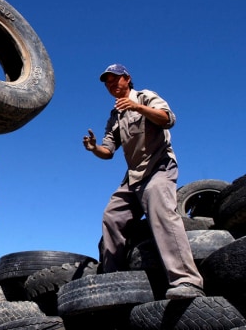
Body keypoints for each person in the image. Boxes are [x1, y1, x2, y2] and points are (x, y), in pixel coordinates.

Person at [82, 63, 205, 299]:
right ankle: (115, 283)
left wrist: (137, 107)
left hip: (158, 167)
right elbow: (108, 152)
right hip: (133, 176)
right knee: (112, 216)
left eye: (114, 79)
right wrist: (93, 148)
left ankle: (187, 281)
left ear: (127, 79)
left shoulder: (145, 96)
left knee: (160, 210)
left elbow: (168, 119)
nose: (110, 85)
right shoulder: (115, 115)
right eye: (107, 82)